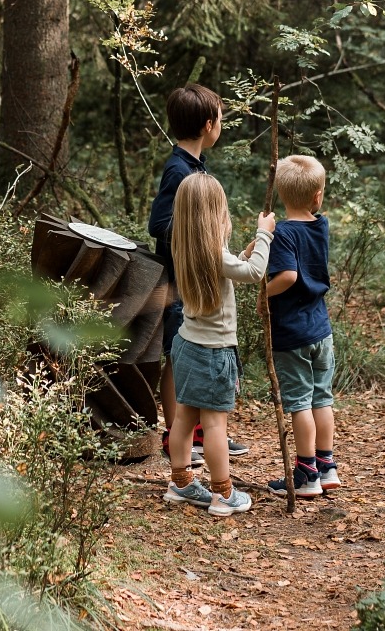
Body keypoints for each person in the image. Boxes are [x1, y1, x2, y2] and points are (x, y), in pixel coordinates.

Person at [161, 173, 274, 516]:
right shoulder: (214, 254)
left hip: (186, 345)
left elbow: (229, 267)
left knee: (182, 419)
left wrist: (243, 252)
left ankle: (181, 483)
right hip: (213, 354)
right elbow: (254, 273)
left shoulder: (185, 249)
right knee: (214, 426)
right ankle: (222, 493)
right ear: (216, 215)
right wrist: (264, 235)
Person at [147, 84, 249, 464]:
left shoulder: (192, 165)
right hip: (178, 281)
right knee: (178, 354)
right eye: (221, 117)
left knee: (186, 352)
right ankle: (178, 433)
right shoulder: (178, 169)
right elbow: (159, 223)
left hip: (189, 279)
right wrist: (199, 243)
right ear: (209, 124)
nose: (221, 123)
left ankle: (199, 430)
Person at [259, 154, 340, 497]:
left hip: (292, 333)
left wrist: (264, 292)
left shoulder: (284, 234)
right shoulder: (320, 225)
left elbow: (288, 276)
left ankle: (306, 474)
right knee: (322, 399)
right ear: (318, 196)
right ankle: (327, 466)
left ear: (280, 195)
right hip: (321, 329)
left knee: (300, 403)